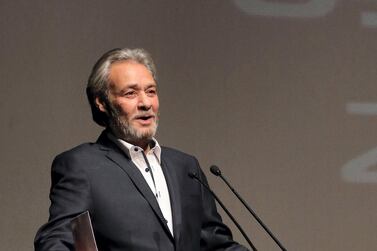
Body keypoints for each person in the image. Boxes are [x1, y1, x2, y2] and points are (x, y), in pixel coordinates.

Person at [34, 48, 249, 251]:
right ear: (101, 102)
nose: (145, 103)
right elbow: (57, 240)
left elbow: (216, 245)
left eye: (151, 91)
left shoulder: (186, 167)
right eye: (130, 93)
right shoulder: (82, 166)